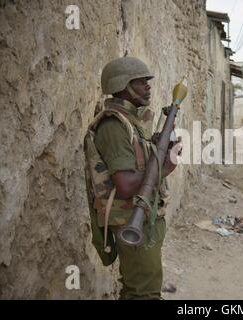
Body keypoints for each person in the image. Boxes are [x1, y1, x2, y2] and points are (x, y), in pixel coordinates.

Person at [84, 57, 179, 300]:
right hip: (130, 217)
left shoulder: (131, 122)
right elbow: (125, 185)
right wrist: (164, 167)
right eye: (141, 82)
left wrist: (157, 149)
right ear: (123, 85)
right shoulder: (114, 126)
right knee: (143, 293)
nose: (148, 86)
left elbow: (138, 165)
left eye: (148, 81)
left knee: (140, 287)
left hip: (142, 214)